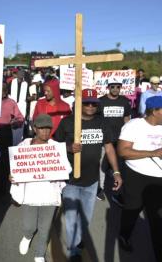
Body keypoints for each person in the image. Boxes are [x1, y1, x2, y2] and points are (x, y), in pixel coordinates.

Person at [53, 89, 122, 261]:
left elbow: (109, 147)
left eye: (93, 103)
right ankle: (73, 250)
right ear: (79, 104)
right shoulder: (67, 123)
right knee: (70, 219)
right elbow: (53, 146)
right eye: (86, 103)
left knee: (85, 218)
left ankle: (78, 239)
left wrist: (116, 171)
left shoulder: (102, 123)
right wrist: (68, 148)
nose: (90, 106)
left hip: (92, 182)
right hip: (70, 181)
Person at [10, 114, 71, 262]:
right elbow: (15, 169)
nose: (45, 132)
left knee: (45, 228)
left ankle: (39, 253)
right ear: (34, 128)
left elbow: (67, 169)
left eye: (48, 128)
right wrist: (11, 176)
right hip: (29, 195)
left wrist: (59, 173)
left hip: (49, 196)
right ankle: (28, 236)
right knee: (29, 225)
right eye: (41, 128)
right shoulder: (23, 146)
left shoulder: (56, 147)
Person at [117, 96, 162, 261]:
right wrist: (153, 153)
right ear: (154, 111)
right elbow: (123, 151)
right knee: (133, 209)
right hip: (137, 176)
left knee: (157, 219)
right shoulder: (133, 126)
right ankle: (124, 235)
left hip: (159, 180)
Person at [97, 78, 131, 203]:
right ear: (108, 87)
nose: (115, 89)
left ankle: (117, 192)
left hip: (119, 140)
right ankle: (99, 189)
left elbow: (127, 118)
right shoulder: (100, 101)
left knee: (119, 167)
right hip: (104, 139)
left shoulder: (124, 101)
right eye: (113, 86)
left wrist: (128, 136)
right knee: (101, 165)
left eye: (118, 86)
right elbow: (96, 119)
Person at [0, 83, 24, 196]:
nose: (2, 91)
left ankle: (3, 189)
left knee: (5, 163)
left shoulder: (11, 103)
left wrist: (16, 122)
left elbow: (20, 118)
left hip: (5, 133)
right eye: (0, 89)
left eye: (4, 89)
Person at [9, 70, 30, 145]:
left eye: (22, 74)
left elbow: (28, 96)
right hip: (12, 106)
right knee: (12, 124)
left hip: (22, 107)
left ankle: (18, 143)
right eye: (20, 74)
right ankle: (11, 142)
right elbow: (8, 93)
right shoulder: (12, 82)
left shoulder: (26, 84)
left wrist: (29, 98)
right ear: (17, 75)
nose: (21, 76)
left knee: (20, 125)